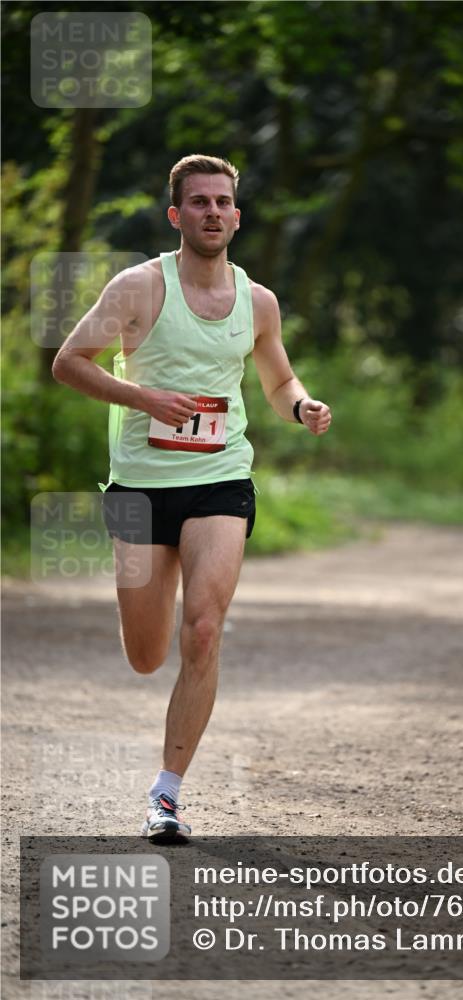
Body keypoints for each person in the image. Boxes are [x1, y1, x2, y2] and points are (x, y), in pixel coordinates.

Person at [52, 154, 332, 841]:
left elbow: (277, 379)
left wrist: (301, 406)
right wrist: (141, 396)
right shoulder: (137, 288)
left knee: (203, 627)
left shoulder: (257, 301)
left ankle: (166, 795)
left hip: (221, 478)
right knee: (146, 655)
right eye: (199, 202)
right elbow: (68, 363)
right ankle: (154, 618)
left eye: (223, 202)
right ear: (177, 215)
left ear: (237, 216)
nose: (212, 212)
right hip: (140, 489)